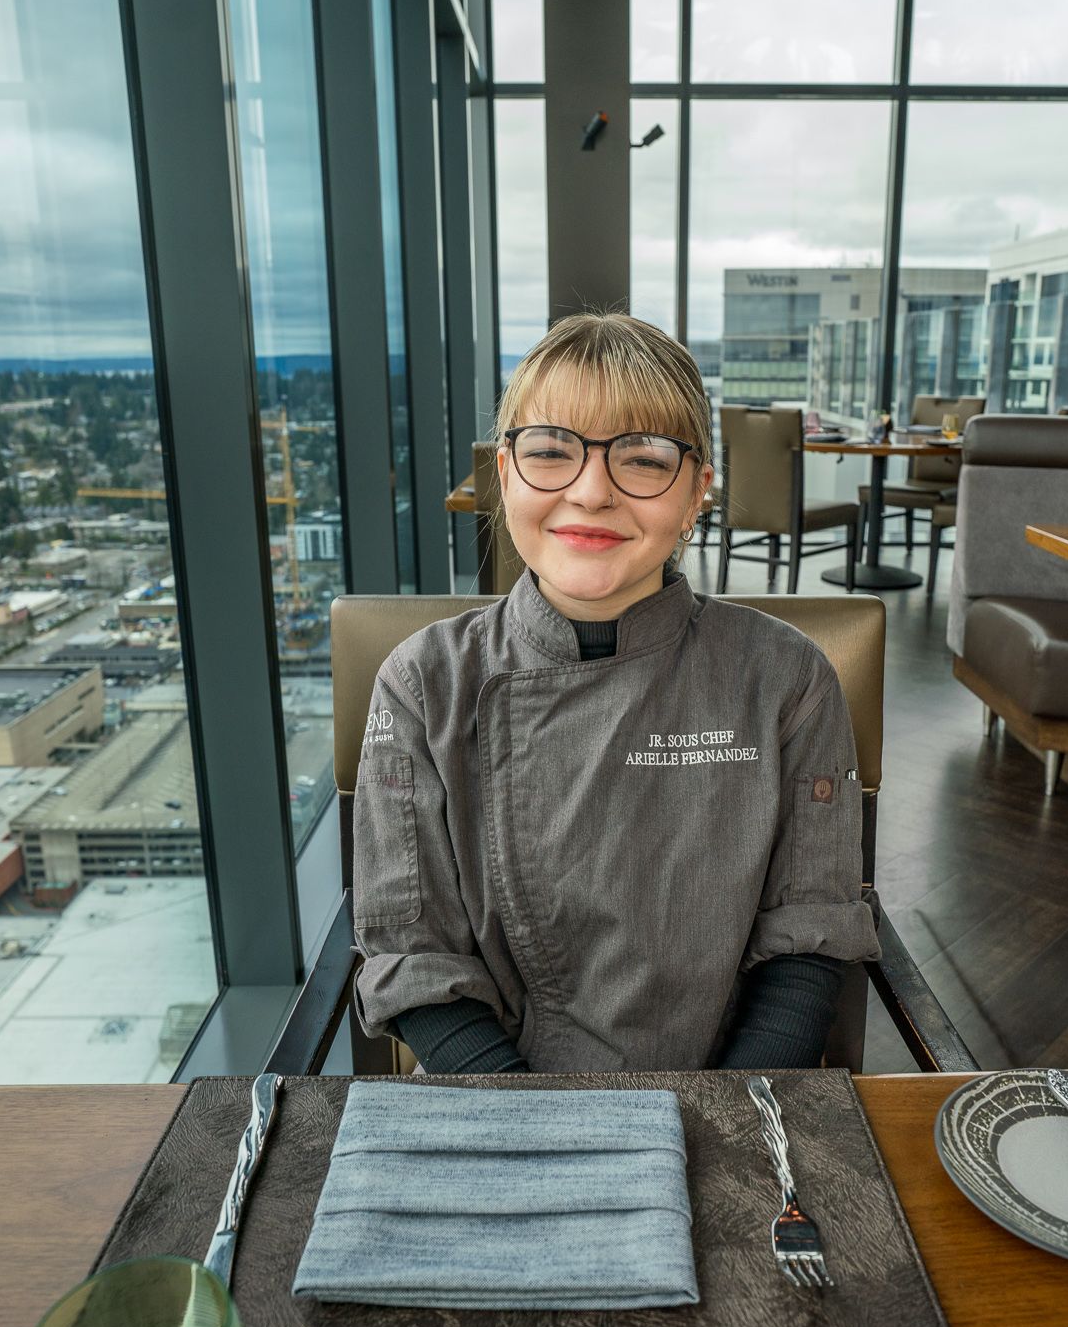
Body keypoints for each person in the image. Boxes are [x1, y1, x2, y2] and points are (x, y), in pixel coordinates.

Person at [351, 311, 879, 1074]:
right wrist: (537, 1129)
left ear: (698, 492)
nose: (592, 492)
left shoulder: (788, 677)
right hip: (509, 1114)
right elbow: (412, 951)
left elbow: (810, 932)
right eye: (551, 451)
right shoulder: (421, 685)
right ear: (506, 476)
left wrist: (727, 1116)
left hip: (738, 1100)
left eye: (641, 458)